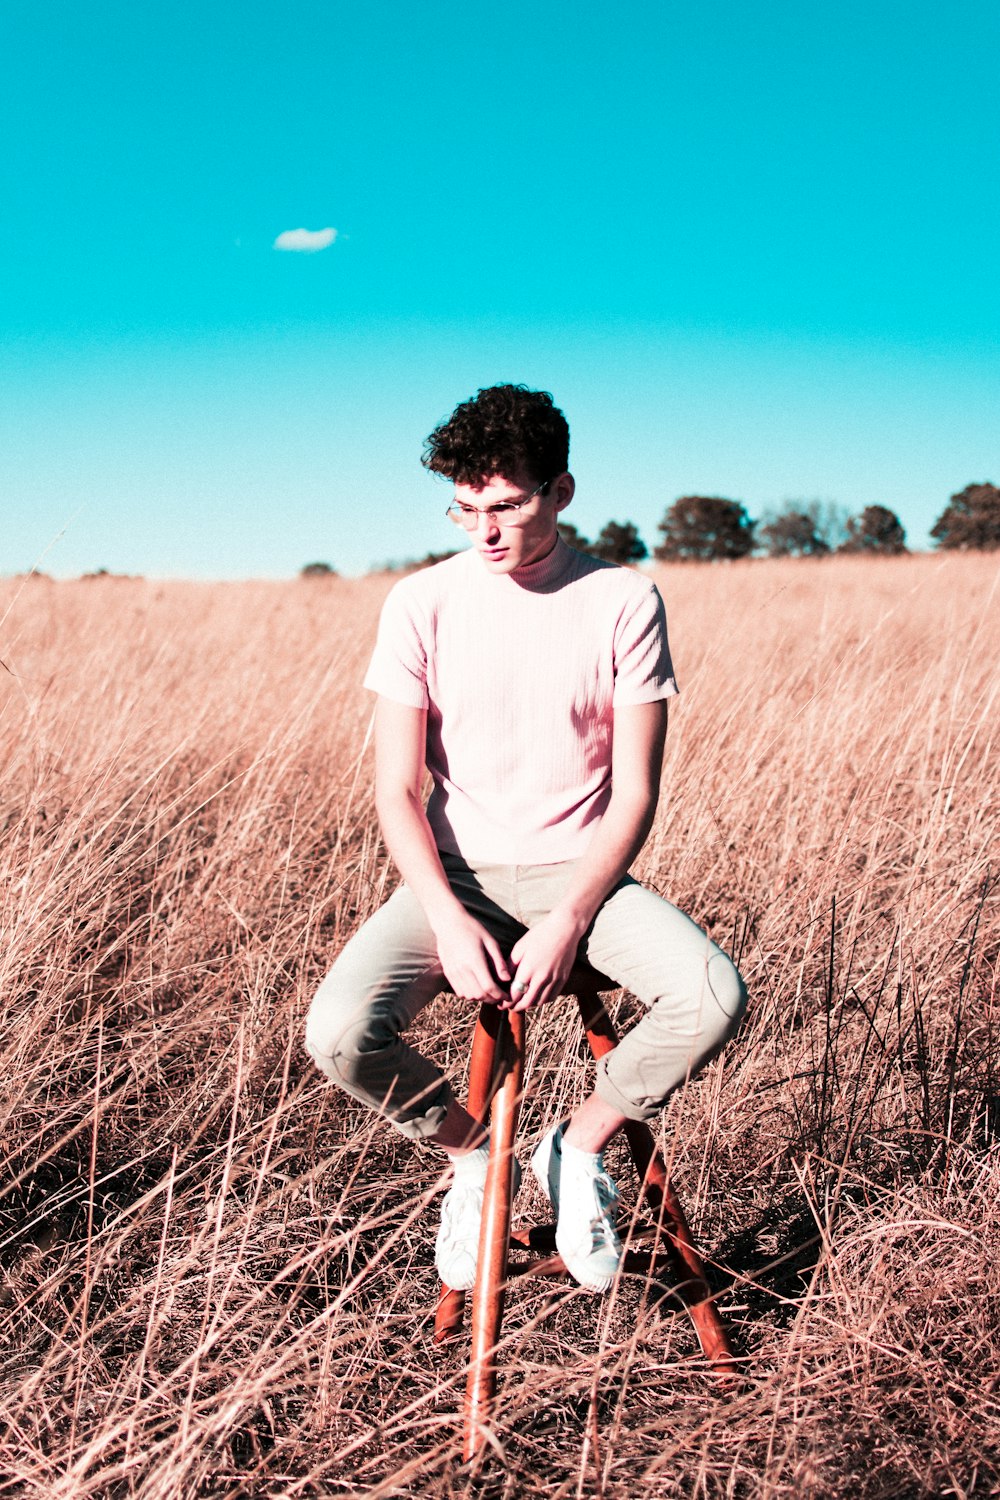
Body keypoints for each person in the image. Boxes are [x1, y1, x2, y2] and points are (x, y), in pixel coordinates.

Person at [305, 383, 747, 1293]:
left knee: (712, 995)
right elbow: (397, 787)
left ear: (563, 490)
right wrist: (447, 914)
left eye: (507, 504)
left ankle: (572, 1151)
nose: (486, 530)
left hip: (579, 875)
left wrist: (568, 921)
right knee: (340, 1034)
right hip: (455, 877)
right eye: (466, 508)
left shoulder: (623, 598)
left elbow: (635, 793)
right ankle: (479, 1162)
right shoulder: (420, 601)